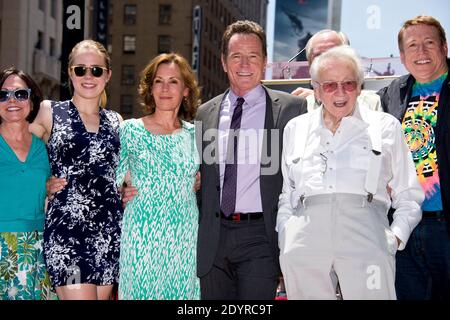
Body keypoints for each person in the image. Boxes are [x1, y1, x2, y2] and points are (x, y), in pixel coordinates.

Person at [277, 45, 424, 299]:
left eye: (348, 83)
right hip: (304, 240)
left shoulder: (385, 126)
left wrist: (394, 239)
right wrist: (287, 237)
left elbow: (409, 194)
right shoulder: (295, 128)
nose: (341, 92)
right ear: (317, 89)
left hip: (367, 237)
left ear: (360, 86)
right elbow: (286, 194)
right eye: (330, 85)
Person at [196, 20, 307, 300]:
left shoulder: (292, 109)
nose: (244, 64)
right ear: (223, 62)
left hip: (260, 236)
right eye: (236, 56)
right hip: (213, 237)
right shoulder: (204, 114)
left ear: (265, 61)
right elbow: (195, 174)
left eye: (253, 56)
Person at [29, 40, 123, 300]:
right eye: (81, 70)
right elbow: (17, 155)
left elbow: (129, 173)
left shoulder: (117, 122)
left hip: (108, 231)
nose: (88, 76)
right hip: (67, 234)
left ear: (108, 75)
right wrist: (42, 183)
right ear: (70, 73)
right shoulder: (50, 112)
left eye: (96, 70)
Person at [115, 53, 200, 300]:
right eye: (158, 81)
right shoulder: (129, 130)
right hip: (141, 238)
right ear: (150, 88)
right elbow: (108, 182)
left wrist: (200, 181)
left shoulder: (196, 134)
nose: (165, 88)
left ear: (185, 90)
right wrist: (120, 191)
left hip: (184, 240)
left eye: (173, 81)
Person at [377, 15, 450, 299]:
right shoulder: (391, 94)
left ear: (444, 47)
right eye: (412, 45)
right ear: (402, 56)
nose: (421, 51)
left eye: (429, 43)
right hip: (404, 225)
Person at [0, 67, 56, 300]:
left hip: (39, 246)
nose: (12, 100)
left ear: (32, 102)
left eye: (20, 94)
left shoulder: (44, 148)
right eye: (3, 94)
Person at [290, 29, 382, 112]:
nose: (326, 62)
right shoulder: (296, 107)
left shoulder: (372, 103)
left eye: (334, 54)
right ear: (309, 65)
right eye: (318, 56)